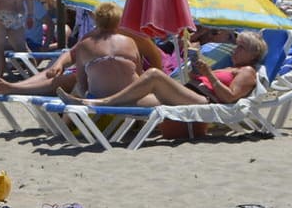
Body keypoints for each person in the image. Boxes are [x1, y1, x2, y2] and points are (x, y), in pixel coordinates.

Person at [73, 30, 267, 137]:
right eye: (236, 45)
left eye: (241, 47)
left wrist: (209, 74)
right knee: (135, 101)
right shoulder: (229, 68)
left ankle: (103, 102)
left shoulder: (247, 72)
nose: (235, 50)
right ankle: (95, 102)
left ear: (253, 53)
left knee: (155, 75)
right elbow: (204, 82)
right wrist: (196, 74)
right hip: (188, 93)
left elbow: (230, 97)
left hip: (203, 101)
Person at [0, 2, 144, 99]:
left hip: (114, 83)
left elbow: (155, 58)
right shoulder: (99, 36)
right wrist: (60, 64)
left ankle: (14, 89)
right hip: (117, 82)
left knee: (70, 79)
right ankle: (16, 86)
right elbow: (73, 53)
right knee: (51, 71)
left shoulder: (133, 36)